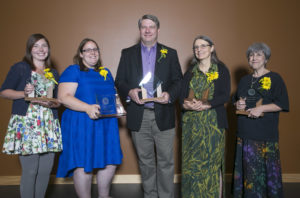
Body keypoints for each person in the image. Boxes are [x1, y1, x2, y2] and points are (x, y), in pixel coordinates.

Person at [115, 14, 183, 198]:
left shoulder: (170, 53)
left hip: (164, 114)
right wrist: (129, 92)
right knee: (145, 162)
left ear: (158, 30)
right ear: (139, 30)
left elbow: (178, 81)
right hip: (139, 115)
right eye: (144, 27)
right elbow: (119, 80)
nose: (147, 30)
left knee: (166, 162)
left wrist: (169, 95)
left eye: (151, 27)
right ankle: (150, 195)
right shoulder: (127, 53)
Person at [56, 38, 122, 198]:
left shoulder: (105, 73)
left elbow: (113, 95)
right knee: (83, 163)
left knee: (110, 161)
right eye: (88, 50)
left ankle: (104, 196)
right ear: (80, 54)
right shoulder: (73, 70)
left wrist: (118, 103)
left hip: (106, 124)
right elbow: (63, 97)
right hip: (82, 123)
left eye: (95, 49)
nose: (93, 52)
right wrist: (87, 107)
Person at [0, 33, 62, 198]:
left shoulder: (53, 73)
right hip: (28, 123)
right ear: (29, 49)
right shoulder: (20, 67)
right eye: (36, 46)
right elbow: (4, 92)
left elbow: (57, 101)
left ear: (48, 49)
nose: (41, 49)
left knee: (45, 171)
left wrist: (53, 103)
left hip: (48, 124)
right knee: (31, 170)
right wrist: (23, 93)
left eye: (44, 46)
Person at [232, 42, 289, 198]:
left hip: (264, 136)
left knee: (262, 176)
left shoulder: (275, 78)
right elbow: (236, 101)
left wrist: (261, 108)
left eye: (258, 54)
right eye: (251, 55)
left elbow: (282, 104)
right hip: (244, 134)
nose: (254, 58)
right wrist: (238, 103)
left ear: (266, 59)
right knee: (247, 175)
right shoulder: (244, 80)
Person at [179, 35, 231, 198]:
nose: (199, 50)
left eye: (203, 46)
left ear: (212, 48)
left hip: (213, 125)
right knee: (192, 166)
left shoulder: (221, 69)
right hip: (191, 127)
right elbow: (181, 97)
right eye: (196, 47)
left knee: (212, 166)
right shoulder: (189, 73)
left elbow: (225, 95)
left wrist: (207, 104)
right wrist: (185, 104)